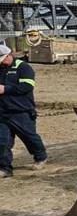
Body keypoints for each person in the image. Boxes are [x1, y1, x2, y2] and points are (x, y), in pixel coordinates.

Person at [0, 44, 47, 177]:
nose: (2, 63)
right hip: (3, 113)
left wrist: (5, 89)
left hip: (21, 111)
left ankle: (40, 157)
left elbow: (26, 87)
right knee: (2, 141)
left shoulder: (23, 68)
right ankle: (5, 168)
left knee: (30, 137)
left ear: (9, 55)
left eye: (3, 60)